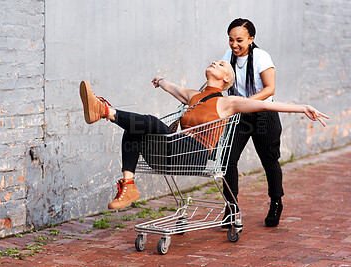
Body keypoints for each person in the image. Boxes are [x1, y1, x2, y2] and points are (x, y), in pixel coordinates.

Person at [79, 60, 328, 210]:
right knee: (133, 127)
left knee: (148, 122)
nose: (214, 63)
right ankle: (129, 186)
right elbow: (171, 87)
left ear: (227, 78)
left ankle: (104, 110)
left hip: (193, 155)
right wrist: (160, 79)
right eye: (214, 62)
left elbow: (267, 105)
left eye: (220, 65)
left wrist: (303, 107)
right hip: (171, 151)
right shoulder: (193, 96)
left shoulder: (229, 102)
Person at [221, 18, 285, 227]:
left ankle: (276, 202)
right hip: (240, 116)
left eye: (239, 40)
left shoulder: (260, 56)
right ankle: (231, 208)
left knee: (269, 160)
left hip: (263, 114)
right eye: (231, 40)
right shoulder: (227, 57)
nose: (234, 45)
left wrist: (244, 102)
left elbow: (270, 88)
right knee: (227, 160)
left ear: (251, 39)